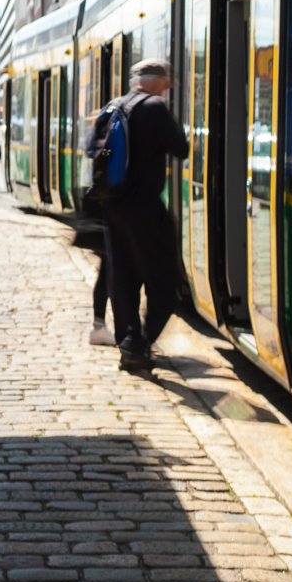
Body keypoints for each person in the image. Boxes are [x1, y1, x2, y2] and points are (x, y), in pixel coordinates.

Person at [102, 60, 190, 374]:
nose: (167, 91)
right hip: (146, 210)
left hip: (114, 210)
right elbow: (182, 148)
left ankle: (129, 345)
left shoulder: (114, 106)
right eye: (166, 84)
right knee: (167, 282)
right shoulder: (154, 108)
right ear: (155, 82)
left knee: (122, 281)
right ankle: (142, 340)